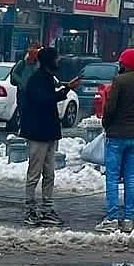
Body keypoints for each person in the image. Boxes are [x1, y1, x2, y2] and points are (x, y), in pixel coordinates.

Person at [19, 47, 80, 227]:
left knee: (49, 173)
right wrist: (66, 89)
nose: (59, 61)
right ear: (48, 61)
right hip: (38, 132)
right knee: (34, 173)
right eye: (56, 58)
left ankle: (47, 209)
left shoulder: (47, 78)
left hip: (49, 131)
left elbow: (49, 99)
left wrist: (66, 88)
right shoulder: (37, 79)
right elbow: (45, 101)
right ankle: (30, 210)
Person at [97, 48, 134, 233]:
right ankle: (129, 219)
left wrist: (106, 124)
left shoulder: (119, 81)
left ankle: (112, 218)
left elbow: (110, 107)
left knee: (113, 178)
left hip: (116, 135)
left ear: (124, 63)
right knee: (130, 179)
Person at [9, 42, 42, 131]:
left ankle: (30, 129)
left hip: (34, 92)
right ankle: (24, 129)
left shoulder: (38, 64)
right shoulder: (22, 63)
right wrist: (22, 83)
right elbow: (14, 74)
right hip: (23, 92)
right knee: (23, 111)